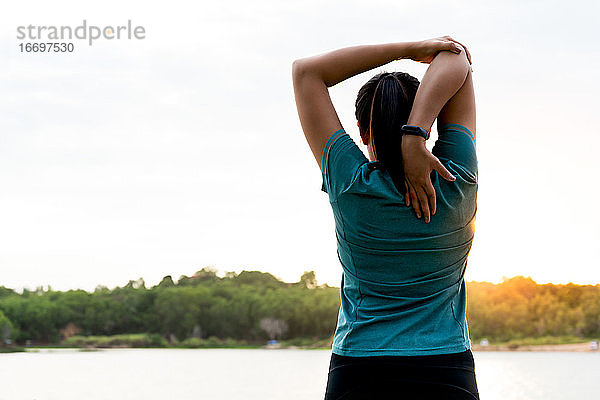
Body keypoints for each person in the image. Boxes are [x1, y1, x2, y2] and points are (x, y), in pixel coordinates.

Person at [292, 36, 479, 399]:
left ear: (362, 132)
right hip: (446, 369)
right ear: (436, 120)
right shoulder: (456, 179)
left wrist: (407, 50)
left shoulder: (349, 183)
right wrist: (416, 136)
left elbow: (306, 73)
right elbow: (458, 60)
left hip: (360, 370)